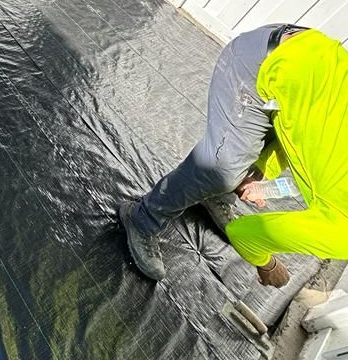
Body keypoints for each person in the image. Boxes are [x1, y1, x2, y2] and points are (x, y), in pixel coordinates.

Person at [119, 25, 348, 288]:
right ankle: (142, 218)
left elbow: (312, 136)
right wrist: (268, 266)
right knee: (221, 170)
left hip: (300, 58)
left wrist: (262, 170)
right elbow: (246, 235)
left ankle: (215, 195)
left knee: (239, 163)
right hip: (257, 66)